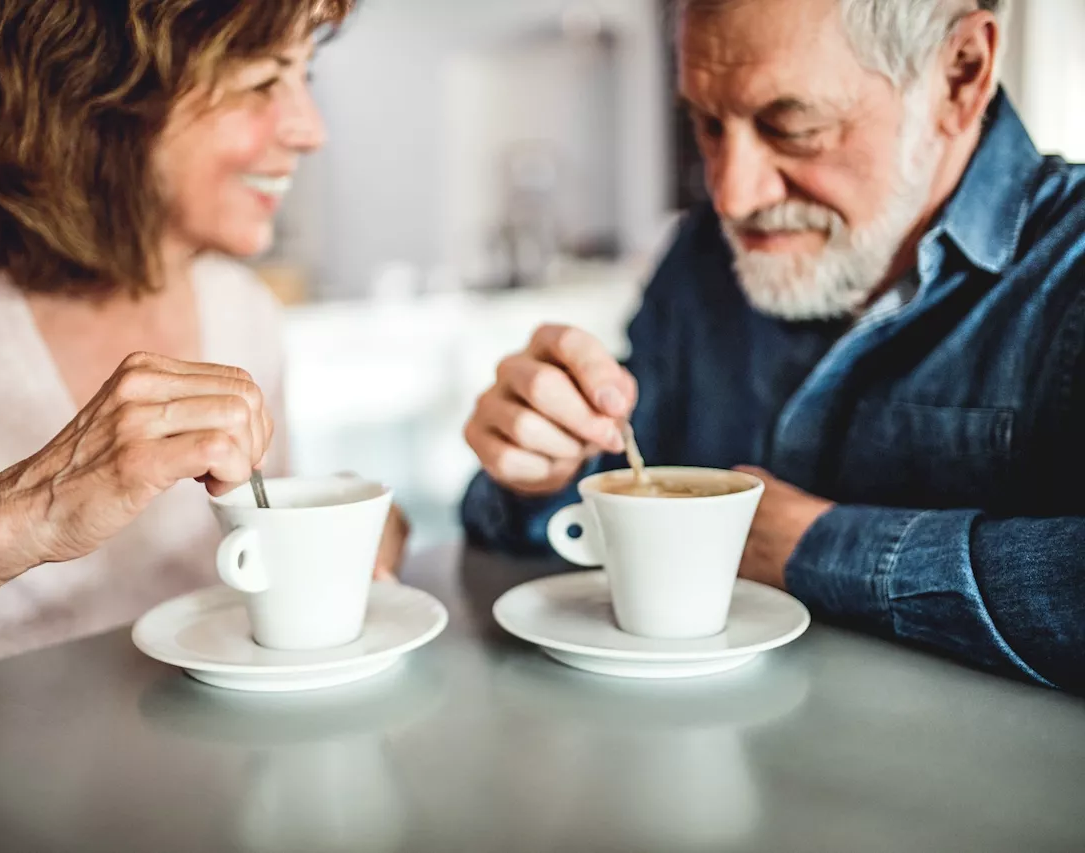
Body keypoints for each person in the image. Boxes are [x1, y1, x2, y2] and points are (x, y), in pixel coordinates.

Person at [0, 0, 409, 721]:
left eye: (304, 76)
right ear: (96, 93)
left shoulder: (242, 306)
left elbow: (257, 558)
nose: (311, 130)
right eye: (259, 83)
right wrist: (32, 512)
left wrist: (345, 537)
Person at [462, 0, 1085, 692]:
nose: (731, 194)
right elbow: (578, 523)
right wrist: (539, 470)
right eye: (703, 122)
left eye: (793, 128)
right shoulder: (702, 262)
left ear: (959, 75)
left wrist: (813, 548)